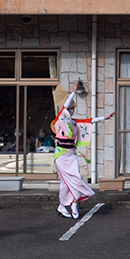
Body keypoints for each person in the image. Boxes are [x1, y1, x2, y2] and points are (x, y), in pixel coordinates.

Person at [52, 84, 115, 219]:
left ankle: (64, 205)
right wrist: (73, 93)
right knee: (70, 180)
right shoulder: (60, 120)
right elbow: (64, 109)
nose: (72, 111)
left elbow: (89, 121)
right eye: (70, 109)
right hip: (61, 155)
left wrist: (105, 117)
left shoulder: (74, 123)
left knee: (72, 180)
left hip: (71, 154)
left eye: (73, 109)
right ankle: (72, 203)